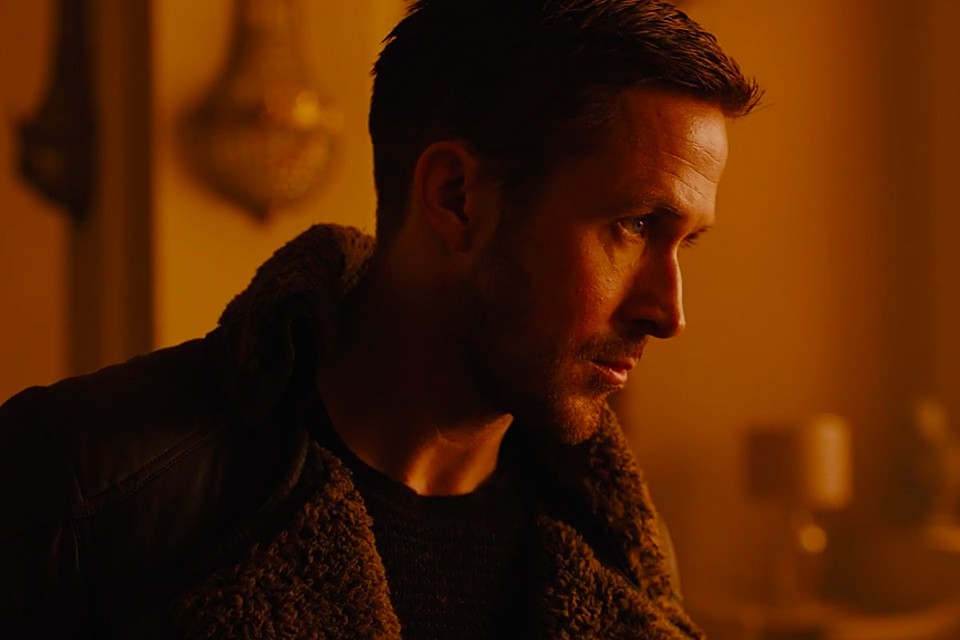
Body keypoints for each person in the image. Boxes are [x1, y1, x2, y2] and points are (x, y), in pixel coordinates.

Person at [0, 0, 761, 637]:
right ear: (456, 199)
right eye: (634, 226)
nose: (670, 313)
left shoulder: (616, 553)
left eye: (685, 243)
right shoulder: (87, 489)